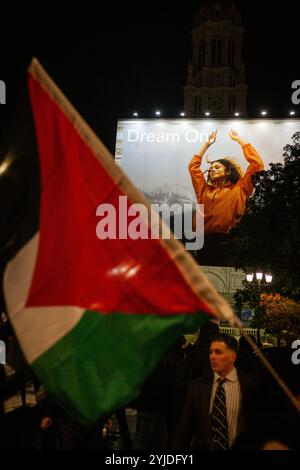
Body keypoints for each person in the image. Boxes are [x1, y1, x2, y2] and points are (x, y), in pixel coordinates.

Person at [173, 334, 262, 450]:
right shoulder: (198, 387)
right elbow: (184, 431)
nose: (212, 357)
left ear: (233, 356)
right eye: (211, 352)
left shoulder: (250, 386)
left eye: (218, 352)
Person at [189, 130, 264, 235]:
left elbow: (257, 165)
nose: (212, 170)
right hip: (205, 242)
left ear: (228, 171)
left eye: (217, 167)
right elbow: (193, 168)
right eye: (211, 168)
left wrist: (240, 140)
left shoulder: (240, 188)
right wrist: (206, 145)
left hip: (232, 241)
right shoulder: (204, 190)